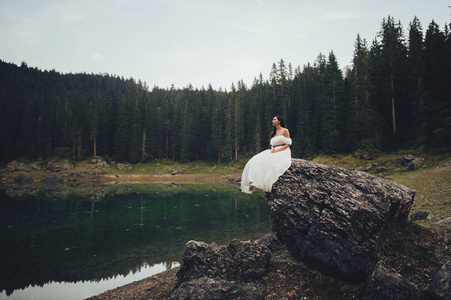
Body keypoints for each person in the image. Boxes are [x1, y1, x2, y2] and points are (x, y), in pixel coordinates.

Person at [241, 115, 292, 194]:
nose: (273, 121)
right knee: (256, 160)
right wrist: (273, 149)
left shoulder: (285, 131)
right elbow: (272, 144)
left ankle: (268, 183)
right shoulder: (273, 132)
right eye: (273, 119)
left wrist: (278, 151)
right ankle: (252, 180)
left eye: (274, 119)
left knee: (273, 164)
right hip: (274, 150)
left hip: (283, 150)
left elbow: (287, 144)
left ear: (279, 121)